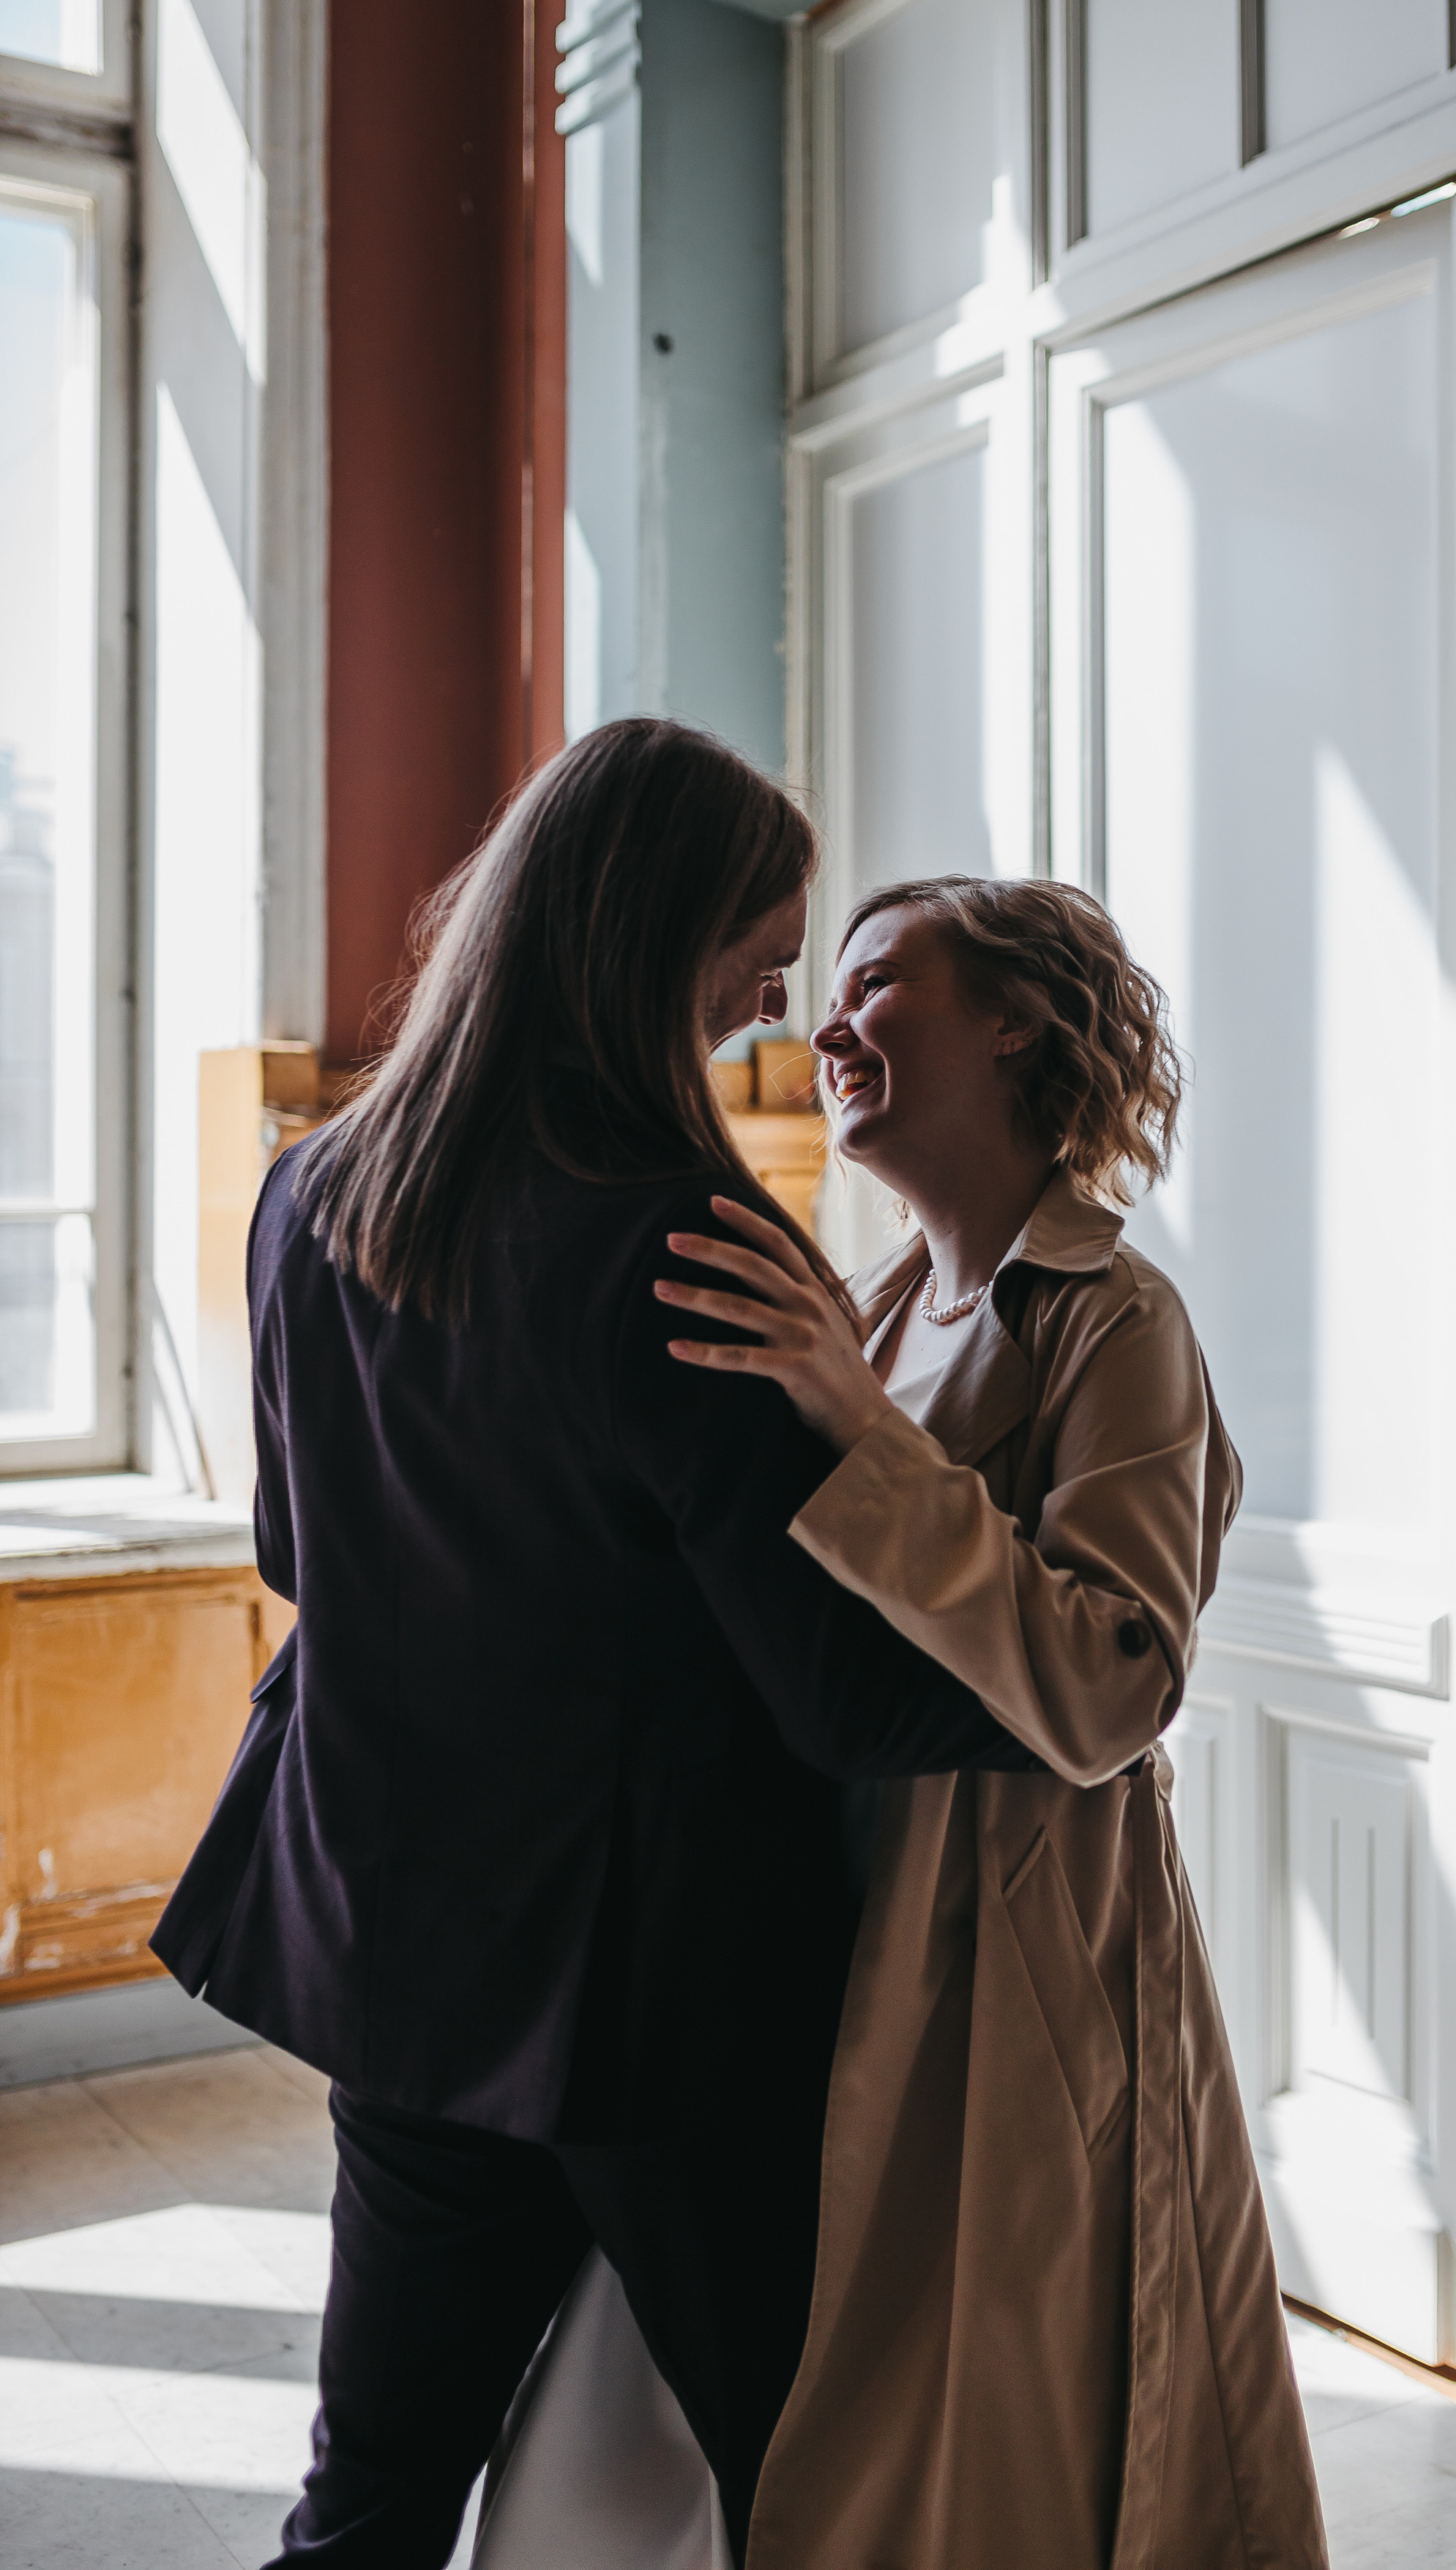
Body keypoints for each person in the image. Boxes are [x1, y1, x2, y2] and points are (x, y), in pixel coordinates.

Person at [151, 729, 1034, 2570]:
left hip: (401, 1946)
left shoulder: (310, 1192)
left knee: (375, 2483)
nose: (779, 998)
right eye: (761, 949)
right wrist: (1079, 1666)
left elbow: (297, 1551)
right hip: (666, 1992)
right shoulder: (689, 1244)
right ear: (647, 937)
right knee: (806, 2480)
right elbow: (840, 1697)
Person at [482, 874, 1329, 2570]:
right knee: (661, 2410)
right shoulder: (861, 1307)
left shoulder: (1116, 1324)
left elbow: (1107, 1686)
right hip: (810, 1920)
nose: (825, 1025)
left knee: (988, 2419)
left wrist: (860, 1431)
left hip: (1009, 1944)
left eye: (877, 985)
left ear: (1012, 1020)